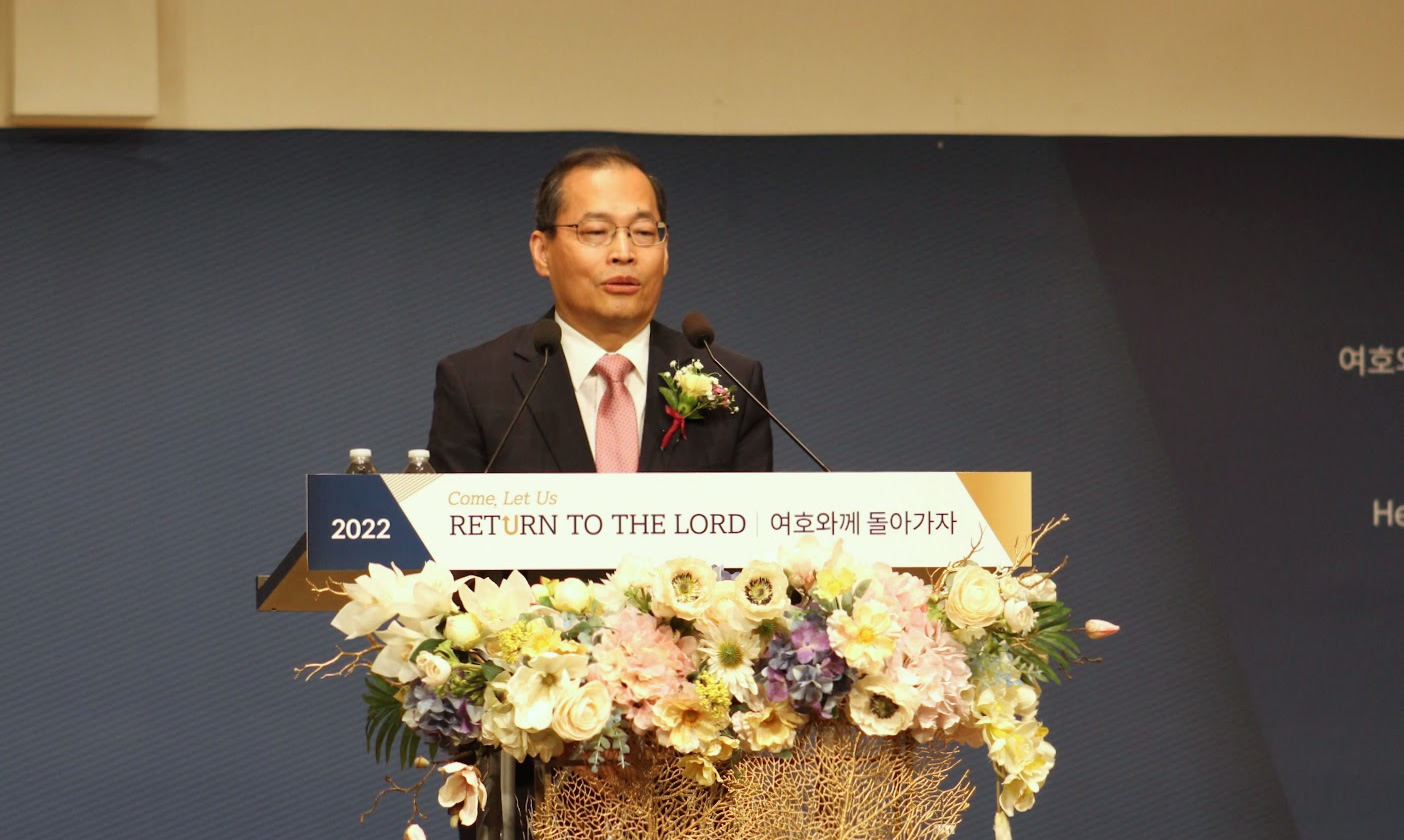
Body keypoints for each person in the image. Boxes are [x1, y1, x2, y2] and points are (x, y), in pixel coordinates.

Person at [427, 147, 773, 474]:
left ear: (665, 251)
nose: (623, 253)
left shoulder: (733, 383)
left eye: (643, 232)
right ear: (542, 252)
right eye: (595, 231)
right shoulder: (476, 385)